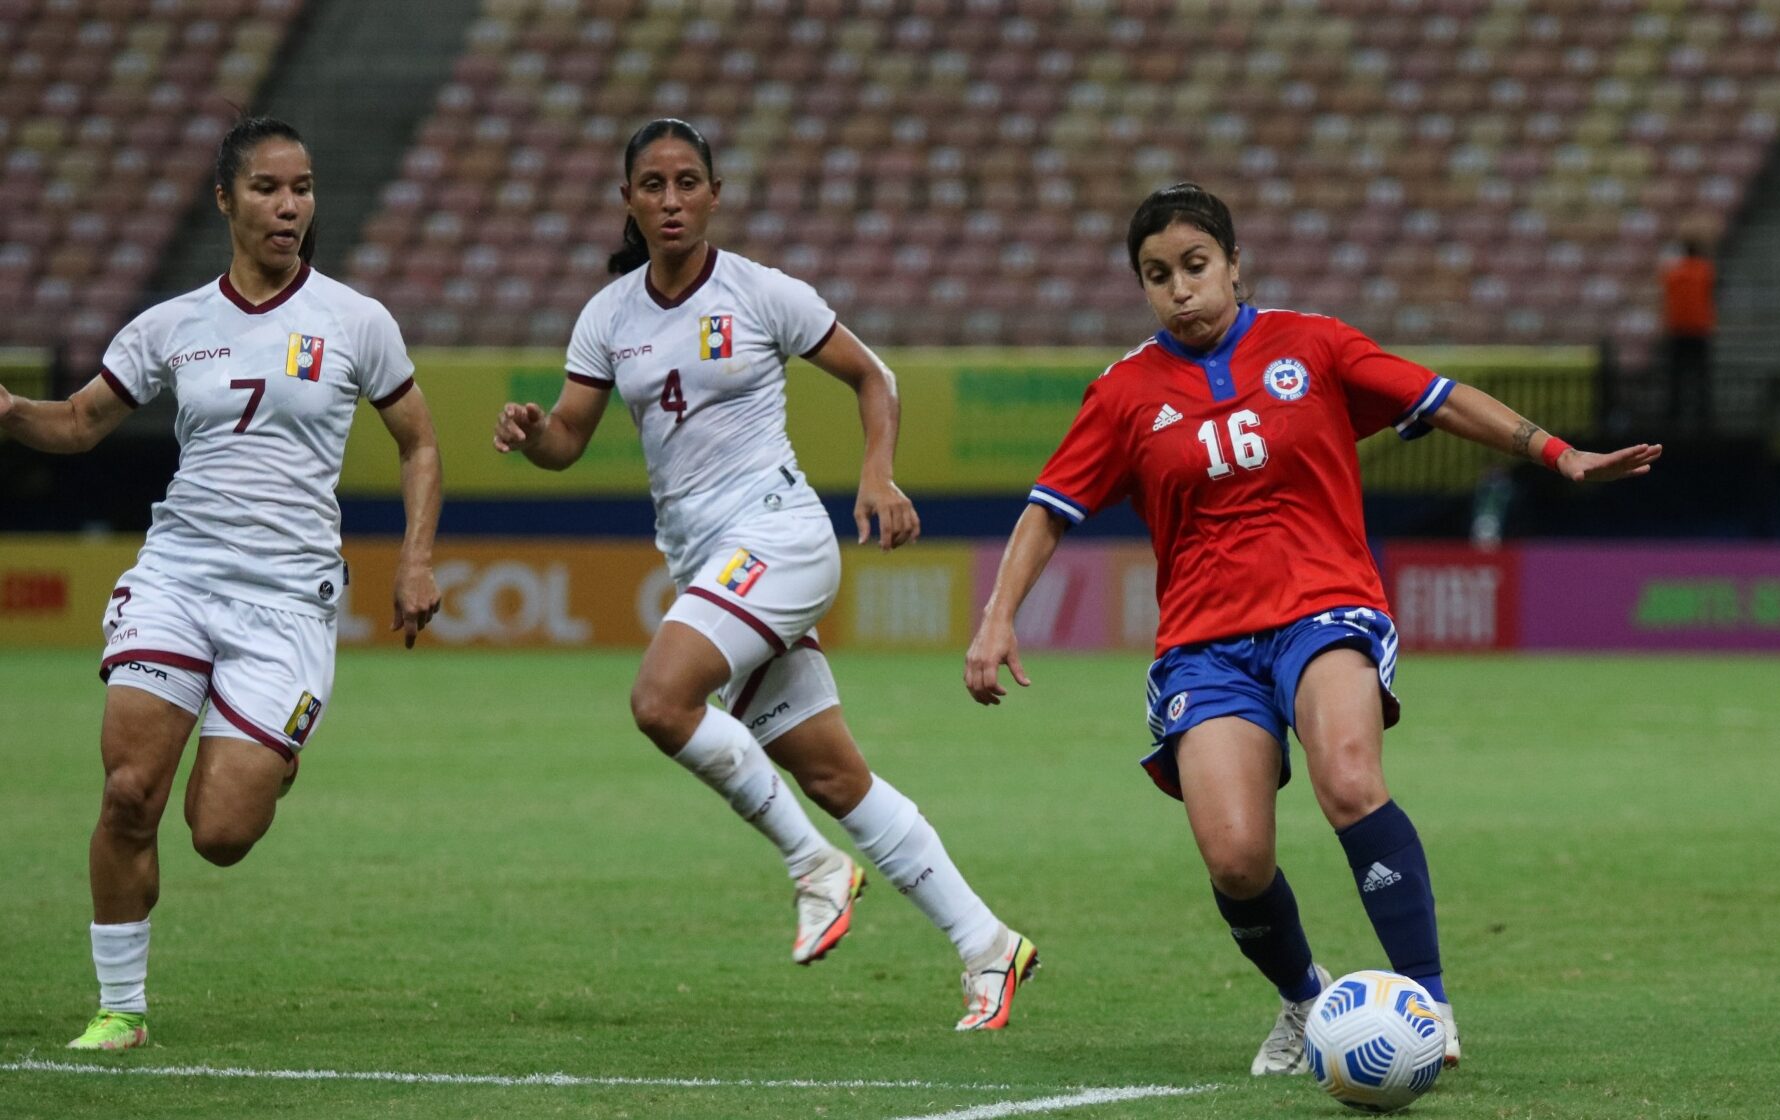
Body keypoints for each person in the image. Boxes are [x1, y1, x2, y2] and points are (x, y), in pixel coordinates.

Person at [965, 183, 1661, 1074]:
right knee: (1235, 861)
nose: (1178, 289)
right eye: (1155, 275)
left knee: (1348, 779)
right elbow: (1048, 509)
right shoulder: (1124, 393)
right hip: (1203, 646)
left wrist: (1559, 455)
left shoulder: (1313, 345)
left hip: (1323, 607)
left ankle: (1428, 1003)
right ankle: (1303, 999)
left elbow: (1439, 397)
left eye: (1193, 266)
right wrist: (996, 620)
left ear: (1232, 265)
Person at [492, 119, 1035, 1030]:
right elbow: (569, 440)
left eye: (687, 182)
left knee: (660, 701)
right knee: (834, 778)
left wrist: (875, 473)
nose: (671, 199)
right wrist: (530, 432)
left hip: (779, 539)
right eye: (653, 184)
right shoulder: (607, 315)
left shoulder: (761, 293)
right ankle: (989, 946)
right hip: (710, 563)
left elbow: (873, 376)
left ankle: (812, 866)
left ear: (714, 194)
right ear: (629, 199)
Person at [0, 117, 443, 1050]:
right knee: (128, 794)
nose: (290, 207)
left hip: (289, 600)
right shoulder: (172, 325)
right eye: (269, 189)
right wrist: (7, 410)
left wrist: (414, 557)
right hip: (178, 576)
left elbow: (419, 442)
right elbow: (78, 424)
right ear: (225, 200)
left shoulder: (356, 320)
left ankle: (263, 746)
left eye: (304, 188)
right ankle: (121, 1009)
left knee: (221, 831)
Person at [1660, 238, 1716, 432]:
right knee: (1700, 375)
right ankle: (1703, 413)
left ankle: (1674, 413)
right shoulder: (1704, 270)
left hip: (1678, 329)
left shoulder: (1673, 273)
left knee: (1677, 375)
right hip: (1699, 330)